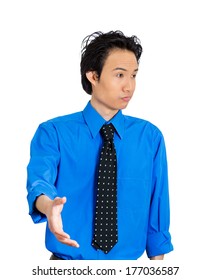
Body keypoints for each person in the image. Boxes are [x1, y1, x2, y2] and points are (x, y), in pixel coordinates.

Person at [26, 30, 173, 260]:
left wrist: (158, 268)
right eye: (119, 75)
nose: (129, 86)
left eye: (133, 75)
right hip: (67, 267)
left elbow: (158, 211)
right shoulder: (54, 132)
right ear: (93, 76)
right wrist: (49, 207)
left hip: (129, 270)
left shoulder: (149, 137)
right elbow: (39, 183)